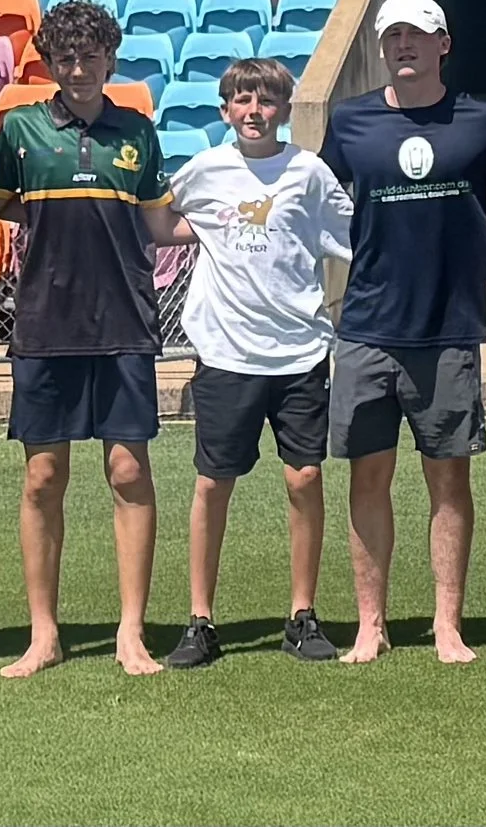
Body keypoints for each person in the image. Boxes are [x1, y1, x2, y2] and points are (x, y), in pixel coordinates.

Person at [0, 0, 190, 678]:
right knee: (43, 477)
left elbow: (163, 224)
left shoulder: (138, 131)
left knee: (128, 471)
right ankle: (44, 633)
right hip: (45, 324)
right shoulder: (21, 128)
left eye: (89, 56)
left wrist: (244, 223)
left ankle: (131, 631)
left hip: (125, 322)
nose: (77, 69)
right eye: (64, 57)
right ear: (47, 62)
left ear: (110, 59)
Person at [319, 0, 486, 664]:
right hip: (367, 327)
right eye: (392, 36)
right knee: (367, 479)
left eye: (417, 34)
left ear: (443, 44)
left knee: (449, 483)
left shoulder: (482, 119)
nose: (403, 45)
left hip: (448, 327)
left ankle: (447, 624)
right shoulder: (350, 121)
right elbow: (321, 200)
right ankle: (370, 624)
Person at [161, 59, 353, 669]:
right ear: (225, 111)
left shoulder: (309, 172)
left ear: (284, 110)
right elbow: (159, 219)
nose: (254, 112)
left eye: (266, 101)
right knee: (213, 483)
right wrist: (200, 231)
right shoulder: (205, 169)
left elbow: (353, 235)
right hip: (226, 352)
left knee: (305, 479)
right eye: (242, 101)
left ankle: (302, 614)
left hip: (300, 350)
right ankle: (200, 620)